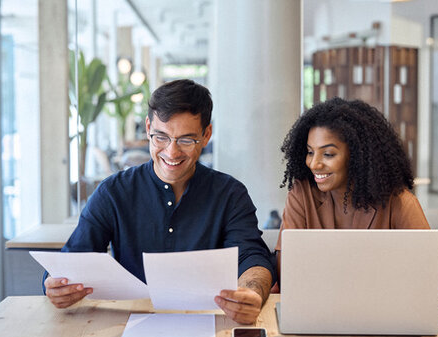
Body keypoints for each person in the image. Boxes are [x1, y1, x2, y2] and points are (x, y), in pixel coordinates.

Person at [44, 79, 275, 324]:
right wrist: (56, 285)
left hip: (210, 323)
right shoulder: (113, 192)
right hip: (126, 324)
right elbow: (74, 259)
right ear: (147, 128)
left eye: (186, 140)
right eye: (161, 137)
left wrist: (252, 292)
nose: (172, 152)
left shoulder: (230, 194)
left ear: (206, 135)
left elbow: (251, 257)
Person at [275, 97, 438, 295]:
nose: (314, 164)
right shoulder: (302, 194)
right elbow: (287, 276)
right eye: (309, 152)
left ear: (358, 155)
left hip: (381, 315)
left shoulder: (398, 201)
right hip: (316, 313)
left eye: (328, 154)